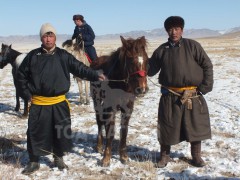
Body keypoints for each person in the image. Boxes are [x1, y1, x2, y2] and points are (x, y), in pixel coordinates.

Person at [17, 23, 105, 175]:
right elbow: (21, 77)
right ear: (41, 38)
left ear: (55, 38)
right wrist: (26, 94)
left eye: (51, 36)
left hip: (59, 102)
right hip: (39, 102)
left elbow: (79, 68)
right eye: (45, 36)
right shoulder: (32, 56)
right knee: (35, 131)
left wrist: (95, 75)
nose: (48, 39)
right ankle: (33, 161)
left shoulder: (63, 56)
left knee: (60, 132)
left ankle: (58, 158)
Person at [148, 16, 213, 168]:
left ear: (182, 30)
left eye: (177, 29)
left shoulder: (193, 46)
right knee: (166, 126)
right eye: (170, 29)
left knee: (195, 125)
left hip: (192, 95)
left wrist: (205, 87)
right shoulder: (162, 50)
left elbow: (207, 65)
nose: (174, 32)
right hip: (170, 96)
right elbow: (150, 70)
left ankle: (196, 156)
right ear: (166, 31)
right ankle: (164, 157)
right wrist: (140, 60)